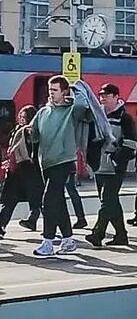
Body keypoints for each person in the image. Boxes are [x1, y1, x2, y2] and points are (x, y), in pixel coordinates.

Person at [30, 75, 92, 256]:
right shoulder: (43, 112)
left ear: (64, 92)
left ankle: (48, 242)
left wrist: (75, 91)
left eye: (55, 90)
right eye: (50, 90)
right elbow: (34, 134)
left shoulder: (71, 110)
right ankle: (68, 240)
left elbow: (83, 107)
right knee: (58, 202)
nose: (51, 93)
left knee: (48, 200)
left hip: (64, 161)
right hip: (46, 162)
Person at [85, 83, 137, 246]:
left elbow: (131, 143)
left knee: (106, 200)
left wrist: (117, 159)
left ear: (116, 97)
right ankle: (121, 235)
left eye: (107, 96)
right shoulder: (96, 116)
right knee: (111, 201)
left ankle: (98, 234)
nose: (103, 99)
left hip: (115, 167)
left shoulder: (125, 118)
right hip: (99, 165)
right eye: (101, 96)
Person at [0, 106, 43, 238]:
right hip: (20, 171)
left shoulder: (28, 131)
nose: (22, 120)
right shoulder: (18, 130)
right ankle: (4, 224)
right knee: (13, 200)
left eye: (24, 117)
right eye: (21, 117)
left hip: (27, 169)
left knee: (35, 199)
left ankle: (40, 223)